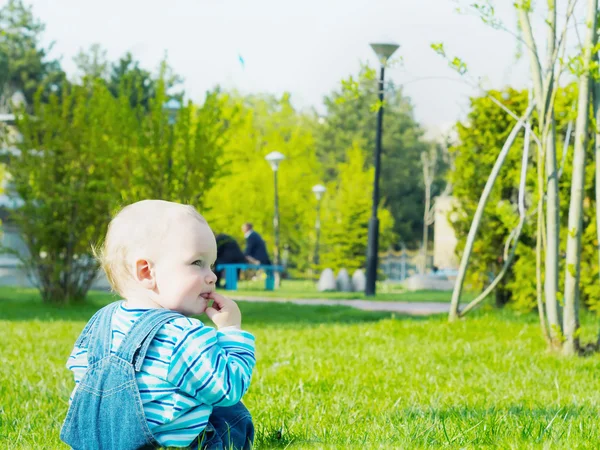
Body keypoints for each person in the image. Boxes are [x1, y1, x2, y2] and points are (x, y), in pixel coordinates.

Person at [61, 200, 255, 450]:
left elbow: (82, 390)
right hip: (172, 445)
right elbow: (229, 388)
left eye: (212, 265)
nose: (212, 276)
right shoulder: (184, 334)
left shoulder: (100, 323)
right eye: (197, 263)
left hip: (100, 442)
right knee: (229, 413)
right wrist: (231, 331)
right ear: (147, 272)